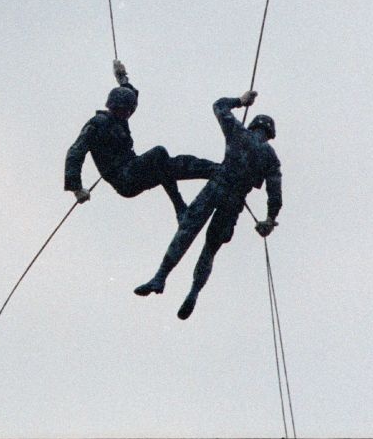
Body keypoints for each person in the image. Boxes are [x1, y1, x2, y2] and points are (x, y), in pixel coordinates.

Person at [134, 89, 282, 320]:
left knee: (186, 232)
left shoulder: (238, 132)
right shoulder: (270, 157)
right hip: (233, 203)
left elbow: (219, 106)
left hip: (215, 188)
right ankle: (193, 292)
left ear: (253, 125)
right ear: (270, 134)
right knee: (210, 250)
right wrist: (269, 221)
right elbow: (275, 195)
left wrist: (241, 101)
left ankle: (160, 277)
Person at [64, 61, 218, 218]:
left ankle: (215, 170)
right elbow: (75, 152)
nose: (129, 114)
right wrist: (76, 188)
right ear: (116, 107)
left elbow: (129, 94)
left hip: (134, 169)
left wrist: (121, 76)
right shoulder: (98, 124)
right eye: (126, 111)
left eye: (130, 111)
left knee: (171, 165)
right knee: (159, 153)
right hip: (124, 179)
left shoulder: (120, 117)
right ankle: (180, 209)